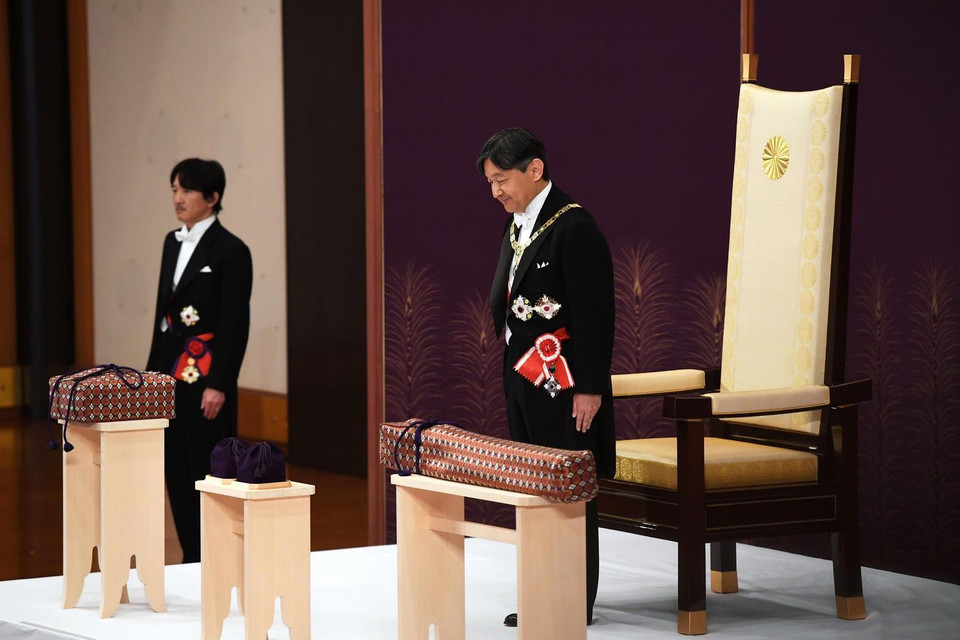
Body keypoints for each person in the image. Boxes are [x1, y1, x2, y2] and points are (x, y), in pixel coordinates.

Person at [480, 127, 616, 627]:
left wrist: (591, 388)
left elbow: (595, 312)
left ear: (535, 170)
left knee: (569, 489)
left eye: (503, 179)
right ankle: (540, 589)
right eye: (490, 183)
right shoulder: (518, 224)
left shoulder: (573, 226)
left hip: (566, 380)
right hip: (522, 372)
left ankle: (574, 599)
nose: (496, 191)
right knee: (533, 487)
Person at [146, 158, 252, 563]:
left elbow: (234, 323)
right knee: (174, 466)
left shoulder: (232, 251)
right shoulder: (171, 243)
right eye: (174, 189)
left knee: (206, 470)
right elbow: (163, 315)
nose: (178, 198)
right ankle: (190, 556)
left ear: (212, 198)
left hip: (206, 379)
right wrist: (149, 376)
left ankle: (217, 558)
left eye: (186, 191)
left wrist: (219, 384)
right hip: (167, 374)